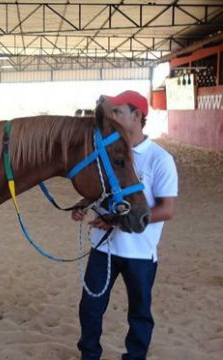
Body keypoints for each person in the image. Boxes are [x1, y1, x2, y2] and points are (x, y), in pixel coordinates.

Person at [71, 90, 178, 360]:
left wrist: (116, 221)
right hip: (103, 248)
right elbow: (106, 190)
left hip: (139, 252)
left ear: (137, 116)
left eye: (118, 111)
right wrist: (85, 203)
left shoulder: (160, 159)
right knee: (90, 307)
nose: (112, 116)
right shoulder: (108, 152)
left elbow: (166, 210)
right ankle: (89, 354)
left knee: (140, 313)